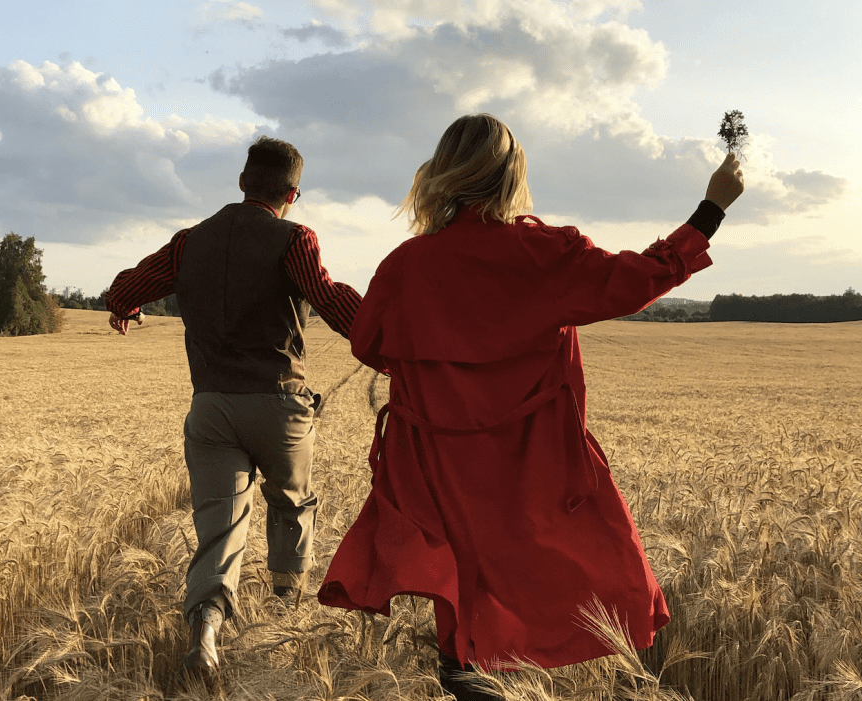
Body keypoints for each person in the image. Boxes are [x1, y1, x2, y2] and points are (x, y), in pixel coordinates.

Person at [317, 113, 744, 700]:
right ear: (511, 176)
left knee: (465, 599)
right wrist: (711, 210)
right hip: (532, 464)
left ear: (442, 174)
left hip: (439, 467)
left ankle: (465, 679)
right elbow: (639, 278)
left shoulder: (406, 265)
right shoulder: (544, 255)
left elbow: (369, 343)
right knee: (543, 583)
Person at [105, 136, 362, 676]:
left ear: (242, 181)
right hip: (279, 403)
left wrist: (122, 304)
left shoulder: (188, 242)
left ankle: (205, 631)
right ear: (294, 192)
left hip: (212, 406)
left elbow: (129, 285)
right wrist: (380, 335)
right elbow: (327, 295)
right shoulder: (294, 239)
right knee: (292, 505)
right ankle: (285, 614)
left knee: (219, 527)